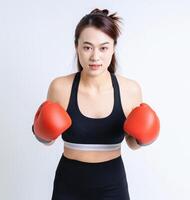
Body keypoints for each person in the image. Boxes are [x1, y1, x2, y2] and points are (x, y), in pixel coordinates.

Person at [32, 8, 160, 200]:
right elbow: (48, 139)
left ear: (114, 48)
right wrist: (41, 132)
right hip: (69, 184)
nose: (95, 57)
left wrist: (145, 137)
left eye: (103, 47)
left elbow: (132, 144)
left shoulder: (130, 89)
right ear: (77, 46)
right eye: (87, 47)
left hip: (112, 184)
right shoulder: (60, 87)